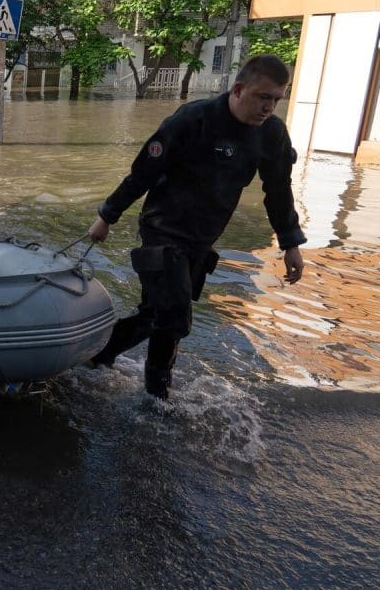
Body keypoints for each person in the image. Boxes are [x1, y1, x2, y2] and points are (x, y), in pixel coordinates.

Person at [86, 54, 306, 400]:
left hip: (202, 239)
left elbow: (278, 190)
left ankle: (96, 356)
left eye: (277, 99)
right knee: (174, 317)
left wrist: (290, 243)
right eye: (263, 97)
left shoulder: (271, 133)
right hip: (162, 229)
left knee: (156, 314)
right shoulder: (193, 119)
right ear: (238, 89)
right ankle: (157, 399)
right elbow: (143, 173)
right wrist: (106, 217)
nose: (269, 107)